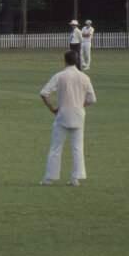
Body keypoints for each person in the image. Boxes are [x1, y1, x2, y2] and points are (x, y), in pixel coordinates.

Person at [39, 49, 96, 186]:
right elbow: (92, 99)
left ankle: (49, 178)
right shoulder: (84, 77)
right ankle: (75, 178)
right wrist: (79, 105)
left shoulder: (60, 76)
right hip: (78, 115)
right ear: (77, 61)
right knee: (77, 147)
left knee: (56, 147)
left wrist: (52, 108)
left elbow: (44, 93)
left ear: (64, 61)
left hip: (62, 115)